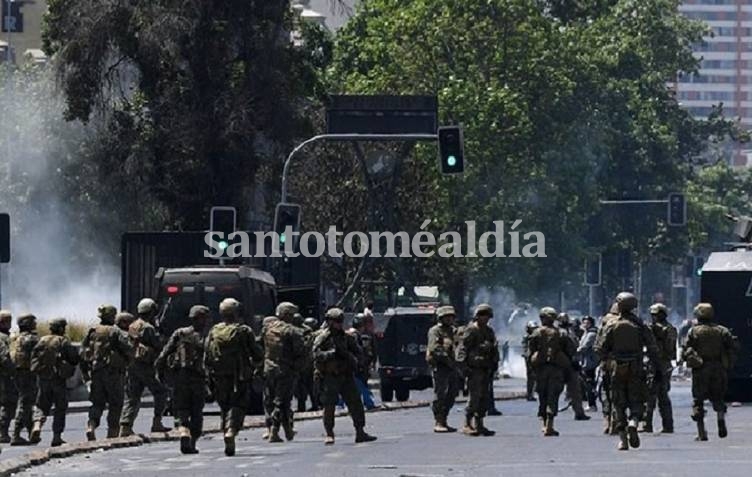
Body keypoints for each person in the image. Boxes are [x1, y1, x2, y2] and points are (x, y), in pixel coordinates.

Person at [595, 292, 659, 451]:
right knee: (637, 400)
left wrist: (607, 360)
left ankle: (623, 440)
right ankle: (634, 423)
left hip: (617, 368)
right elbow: (652, 347)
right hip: (636, 367)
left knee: (618, 402)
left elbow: (600, 348)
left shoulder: (610, 325)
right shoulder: (640, 325)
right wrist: (655, 367)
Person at [205, 298, 263, 456]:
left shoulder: (214, 331)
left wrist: (209, 374)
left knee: (224, 406)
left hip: (219, 375)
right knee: (238, 405)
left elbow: (207, 355)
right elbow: (256, 353)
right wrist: (256, 366)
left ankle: (226, 430)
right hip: (240, 376)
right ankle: (231, 431)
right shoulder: (244, 331)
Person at [312, 307, 377, 445]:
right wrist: (331, 354)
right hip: (330, 376)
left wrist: (354, 360)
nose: (339, 324)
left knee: (355, 403)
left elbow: (359, 353)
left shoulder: (347, 338)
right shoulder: (323, 338)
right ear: (329, 322)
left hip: (346, 375)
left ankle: (360, 431)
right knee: (329, 405)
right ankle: (329, 433)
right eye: (336, 321)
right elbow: (315, 355)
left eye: (340, 321)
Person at [155, 305, 210, 454]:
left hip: (180, 378)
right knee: (197, 412)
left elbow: (164, 354)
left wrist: (160, 373)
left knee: (182, 410)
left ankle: (184, 431)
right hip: (198, 379)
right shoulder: (206, 336)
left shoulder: (180, 333)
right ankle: (192, 442)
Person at [682, 303, 737, 441]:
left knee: (698, 401)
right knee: (718, 398)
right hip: (718, 368)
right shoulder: (722, 331)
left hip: (701, 369)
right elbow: (733, 347)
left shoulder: (694, 331)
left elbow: (687, 350)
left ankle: (702, 432)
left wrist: (689, 359)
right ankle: (720, 420)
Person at [80, 304, 134, 441]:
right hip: (114, 373)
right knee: (116, 404)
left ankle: (91, 426)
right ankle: (112, 435)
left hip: (97, 372)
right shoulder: (115, 331)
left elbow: (83, 352)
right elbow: (128, 348)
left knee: (97, 403)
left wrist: (86, 374)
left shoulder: (92, 331)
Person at [120, 298, 170, 436]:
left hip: (132, 365)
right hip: (145, 366)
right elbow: (157, 345)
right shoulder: (148, 328)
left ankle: (125, 426)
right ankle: (157, 422)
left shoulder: (133, 325)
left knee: (133, 396)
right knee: (161, 392)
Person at [30, 318, 79, 447]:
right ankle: (56, 437)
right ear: (61, 329)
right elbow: (74, 358)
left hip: (43, 378)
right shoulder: (63, 341)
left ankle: (37, 425)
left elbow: (34, 358)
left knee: (41, 405)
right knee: (60, 408)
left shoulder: (42, 340)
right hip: (58, 379)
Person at [262, 302, 306, 443]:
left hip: (269, 369)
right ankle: (275, 431)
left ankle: (286, 430)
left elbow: (260, 346)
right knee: (281, 401)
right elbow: (300, 351)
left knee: (271, 400)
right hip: (286, 370)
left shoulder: (268, 328)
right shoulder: (292, 331)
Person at [455, 304, 499, 437]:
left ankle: (479, 423)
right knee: (474, 397)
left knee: (484, 397)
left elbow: (494, 348)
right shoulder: (471, 330)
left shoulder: (489, 331)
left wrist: (495, 363)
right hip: (474, 369)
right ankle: (467, 423)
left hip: (486, 368)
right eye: (482, 315)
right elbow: (463, 349)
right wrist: (463, 367)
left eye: (487, 316)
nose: (485, 318)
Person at [528, 307, 572, 436]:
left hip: (540, 368)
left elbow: (530, 351)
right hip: (556, 369)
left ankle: (544, 423)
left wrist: (532, 367)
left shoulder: (536, 333)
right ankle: (549, 425)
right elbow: (570, 349)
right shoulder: (561, 333)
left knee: (542, 395)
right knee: (553, 396)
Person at [641, 303, 677, 434]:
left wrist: (656, 334)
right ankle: (652, 424)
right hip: (655, 364)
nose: (654, 317)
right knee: (654, 395)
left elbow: (668, 348)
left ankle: (656, 424)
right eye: (652, 315)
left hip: (661, 364)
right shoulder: (656, 329)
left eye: (656, 315)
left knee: (656, 395)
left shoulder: (668, 329)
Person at [426, 305, 461, 432]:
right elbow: (435, 348)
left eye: (451, 317)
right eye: (447, 317)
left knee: (452, 393)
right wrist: (447, 360)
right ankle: (438, 420)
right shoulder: (435, 331)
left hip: (453, 367)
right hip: (440, 366)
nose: (449, 319)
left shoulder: (454, 331)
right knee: (440, 394)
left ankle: (444, 418)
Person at [9, 313, 39, 446]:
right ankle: (16, 434)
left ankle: (30, 431)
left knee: (27, 402)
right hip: (27, 374)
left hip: (17, 373)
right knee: (25, 403)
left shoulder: (15, 338)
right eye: (33, 322)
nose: (35, 324)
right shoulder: (31, 339)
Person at [557, 313, 589, 420]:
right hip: (560, 364)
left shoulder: (570, 331)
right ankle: (548, 413)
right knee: (554, 389)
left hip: (571, 364)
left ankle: (579, 412)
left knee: (575, 390)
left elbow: (574, 346)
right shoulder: (556, 332)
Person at [596, 302, 620, 435]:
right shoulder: (635, 323)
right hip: (630, 364)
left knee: (606, 392)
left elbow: (599, 346)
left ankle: (608, 420)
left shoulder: (606, 323)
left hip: (609, 363)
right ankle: (620, 421)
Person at [347, 314, 376, 410]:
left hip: (351, 365)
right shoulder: (357, 336)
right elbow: (360, 351)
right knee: (361, 385)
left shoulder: (349, 333)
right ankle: (368, 403)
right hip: (356, 366)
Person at [0, 310, 16, 444]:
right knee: (7, 403)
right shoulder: (3, 338)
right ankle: (3, 432)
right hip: (4, 376)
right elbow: (5, 358)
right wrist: (13, 371)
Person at [577, 316, 599, 412]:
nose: (585, 324)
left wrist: (575, 351)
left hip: (590, 362)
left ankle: (592, 404)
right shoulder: (586, 333)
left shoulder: (592, 334)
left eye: (587, 323)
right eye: (584, 323)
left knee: (589, 384)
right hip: (586, 361)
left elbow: (584, 346)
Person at [521, 321, 538, 401]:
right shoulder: (527, 337)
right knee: (531, 377)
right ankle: (529, 394)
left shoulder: (538, 336)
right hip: (529, 358)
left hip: (537, 357)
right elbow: (525, 347)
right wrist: (527, 355)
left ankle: (532, 393)